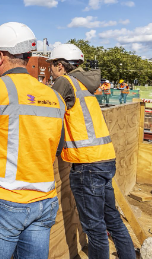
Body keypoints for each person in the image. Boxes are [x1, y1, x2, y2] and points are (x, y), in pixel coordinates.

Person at [0, 22, 66, 259]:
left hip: (4, 201)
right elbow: (58, 146)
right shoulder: (55, 96)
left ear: (1, 57)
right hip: (44, 201)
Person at [48, 44, 135, 259]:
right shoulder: (85, 84)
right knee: (112, 219)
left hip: (87, 165)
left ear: (60, 65)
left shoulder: (64, 82)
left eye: (51, 65)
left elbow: (46, 113)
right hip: (104, 159)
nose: (50, 69)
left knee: (95, 229)